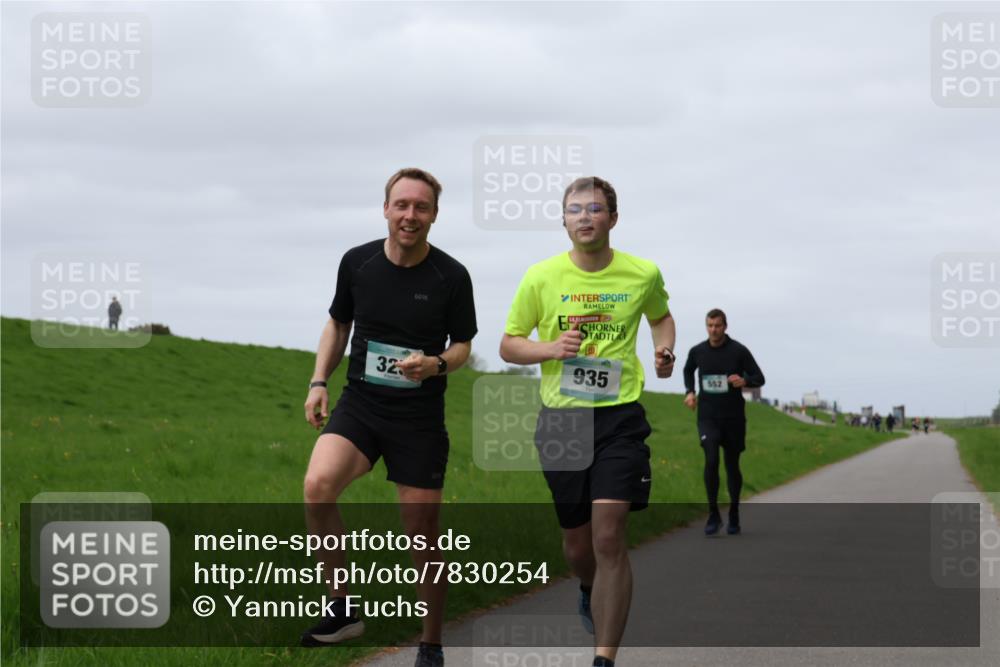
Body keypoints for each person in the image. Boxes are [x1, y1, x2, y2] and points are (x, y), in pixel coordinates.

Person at [301, 168, 477, 667]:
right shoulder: (357, 263)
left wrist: (436, 364)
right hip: (361, 404)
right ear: (385, 209)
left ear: (434, 216)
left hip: (418, 419)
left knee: (421, 534)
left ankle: (431, 643)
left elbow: (463, 345)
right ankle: (342, 607)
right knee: (317, 485)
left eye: (421, 207)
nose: (410, 215)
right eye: (402, 205)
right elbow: (338, 324)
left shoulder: (451, 276)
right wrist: (318, 382)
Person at [500, 176, 675, 667]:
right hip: (562, 421)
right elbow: (509, 343)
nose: (584, 216)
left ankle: (604, 658)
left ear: (613, 219)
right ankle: (586, 585)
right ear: (563, 219)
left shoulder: (642, 273)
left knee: (607, 535)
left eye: (595, 209)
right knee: (579, 548)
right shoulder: (541, 277)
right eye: (574, 209)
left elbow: (661, 316)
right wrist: (551, 348)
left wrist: (663, 349)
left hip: (620, 418)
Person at [682, 309, 765, 536]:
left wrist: (744, 380)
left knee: (731, 465)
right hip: (708, 417)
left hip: (733, 418)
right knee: (710, 460)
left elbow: (759, 377)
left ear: (725, 326)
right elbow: (688, 369)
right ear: (706, 326)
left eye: (717, 325)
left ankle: (734, 514)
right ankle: (713, 514)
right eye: (710, 325)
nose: (714, 330)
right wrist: (690, 392)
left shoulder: (738, 351)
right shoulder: (697, 351)